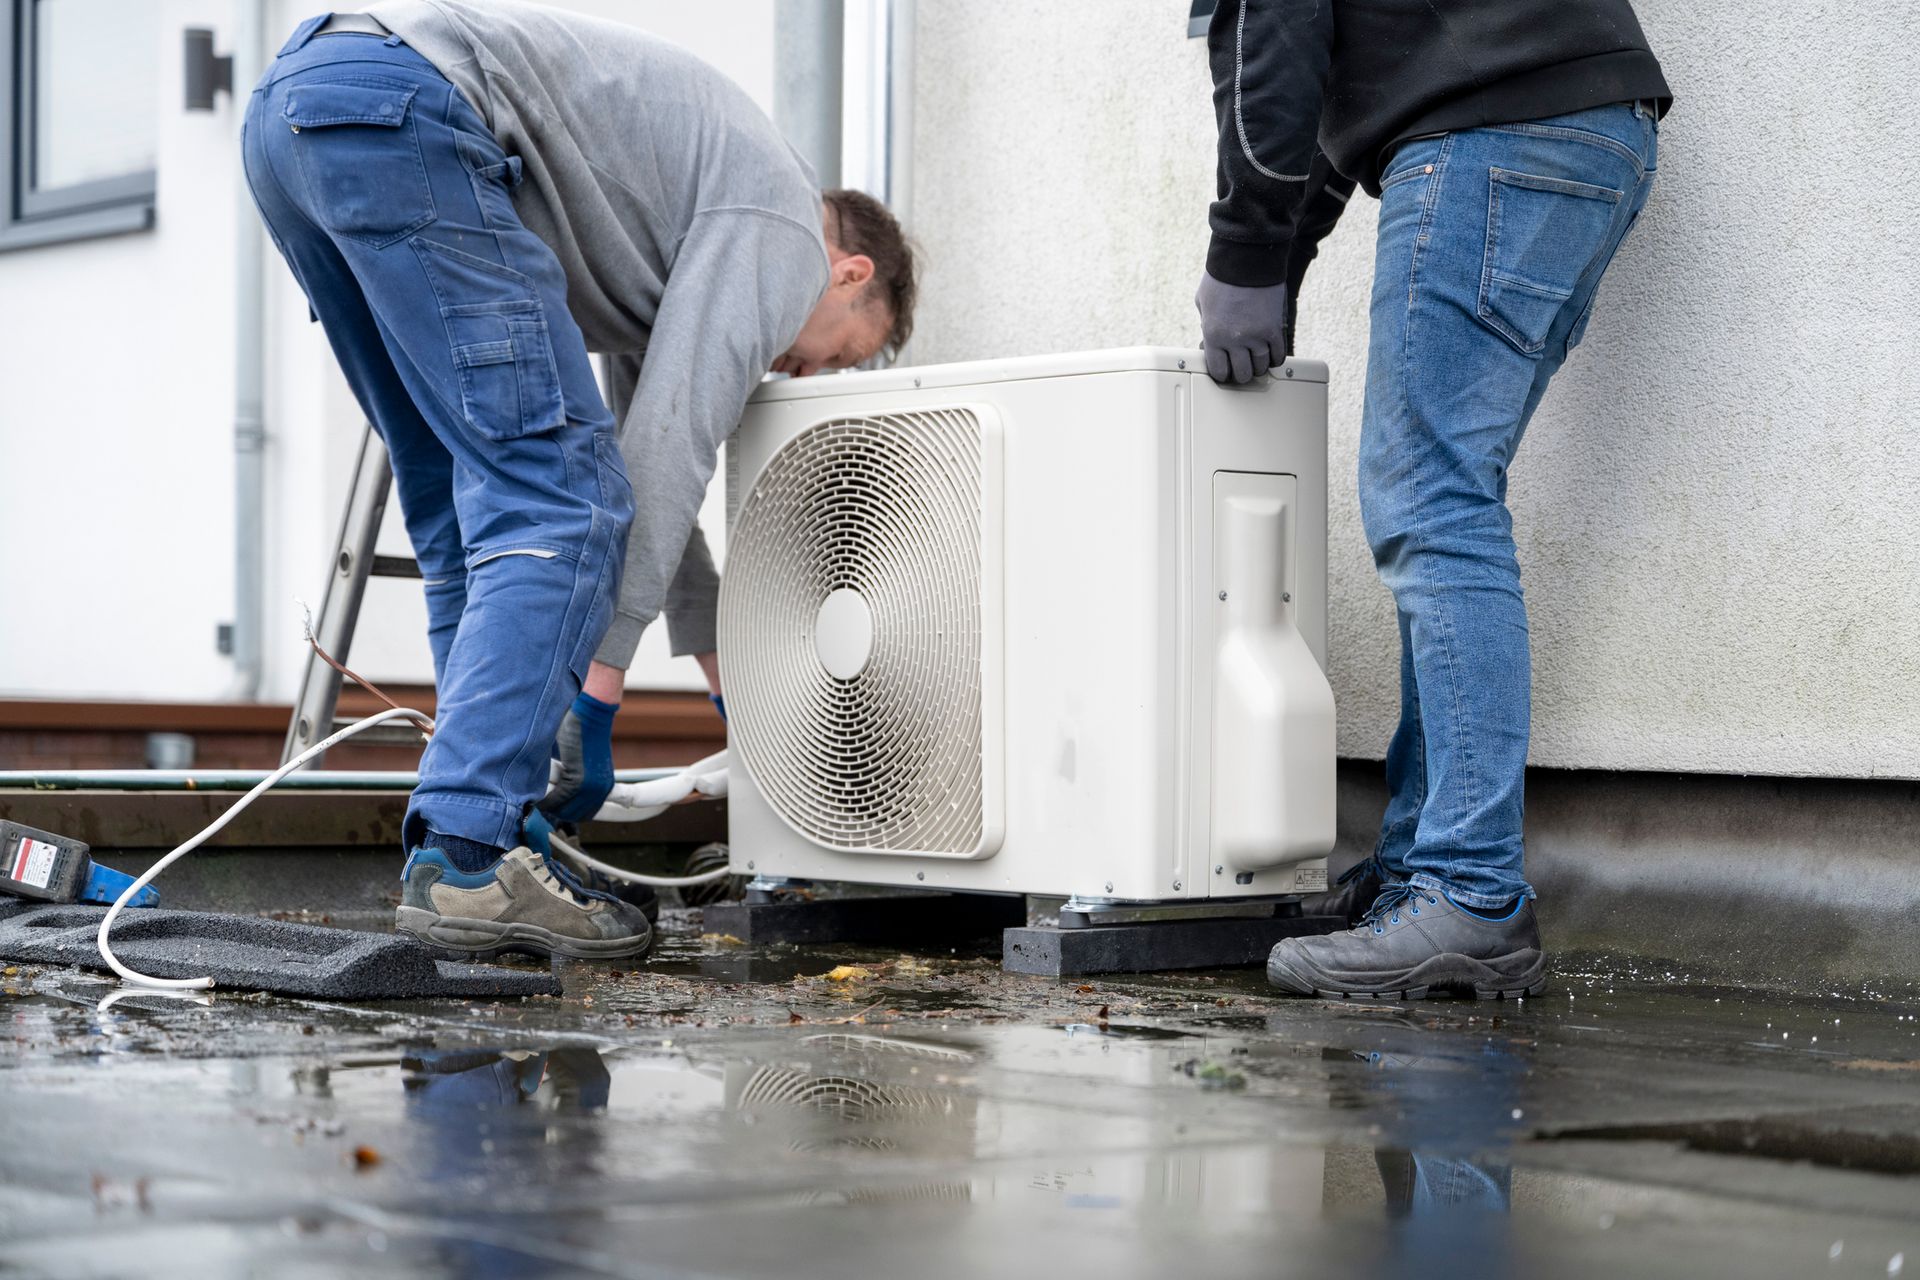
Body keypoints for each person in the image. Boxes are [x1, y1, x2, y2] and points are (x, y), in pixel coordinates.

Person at [243, 3, 916, 961]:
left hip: (298, 115)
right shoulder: (781, 238)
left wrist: (741, 708)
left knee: (459, 503)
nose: (801, 376)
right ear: (850, 273)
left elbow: (654, 484)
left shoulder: (693, 233)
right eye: (836, 358)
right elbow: (646, 474)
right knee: (559, 499)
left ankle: (475, 829)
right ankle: (472, 852)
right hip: (409, 110)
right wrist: (592, 700)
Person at [1195, 1, 1669, 998]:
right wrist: (1286, 253)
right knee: (1447, 493)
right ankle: (1419, 871)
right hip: (1583, 126)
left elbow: (1275, 40)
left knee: (1428, 498)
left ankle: (1471, 889)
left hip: (1491, 130)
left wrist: (1245, 253)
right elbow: (1331, 69)